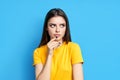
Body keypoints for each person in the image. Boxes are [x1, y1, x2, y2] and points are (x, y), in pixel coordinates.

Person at [33, 8, 84, 80]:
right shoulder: (38, 52)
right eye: (53, 25)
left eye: (62, 25)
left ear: (66, 28)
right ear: (46, 28)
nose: (57, 30)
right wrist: (49, 54)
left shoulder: (74, 48)